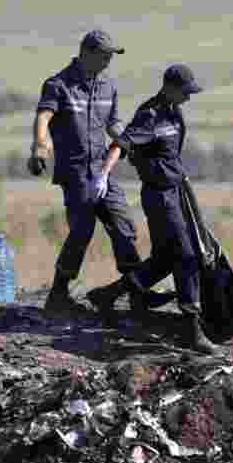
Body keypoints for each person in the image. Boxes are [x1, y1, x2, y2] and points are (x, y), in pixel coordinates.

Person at [28, 29, 172, 315]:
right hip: (75, 170)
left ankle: (136, 293)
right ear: (86, 53)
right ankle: (58, 294)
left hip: (102, 169)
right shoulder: (59, 85)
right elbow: (44, 116)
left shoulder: (108, 87)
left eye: (110, 57)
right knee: (82, 230)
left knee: (123, 225)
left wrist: (138, 145)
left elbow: (113, 125)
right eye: (104, 56)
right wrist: (40, 147)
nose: (108, 62)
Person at [84, 64, 223, 354]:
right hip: (160, 197)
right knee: (186, 257)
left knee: (164, 259)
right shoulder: (150, 115)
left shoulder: (174, 111)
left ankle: (108, 295)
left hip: (176, 191)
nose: (188, 98)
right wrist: (103, 175)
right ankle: (192, 331)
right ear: (170, 87)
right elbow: (120, 145)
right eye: (185, 92)